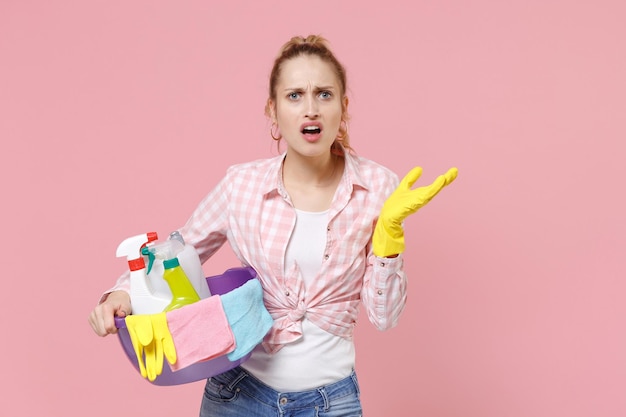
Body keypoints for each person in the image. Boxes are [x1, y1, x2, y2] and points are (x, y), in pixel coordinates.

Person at [88, 34, 457, 416]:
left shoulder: (378, 187)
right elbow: (179, 252)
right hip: (239, 395)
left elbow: (384, 318)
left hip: (331, 402)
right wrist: (123, 294)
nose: (310, 108)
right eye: (294, 95)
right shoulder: (241, 185)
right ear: (273, 109)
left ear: (343, 107)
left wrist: (389, 239)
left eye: (324, 94)